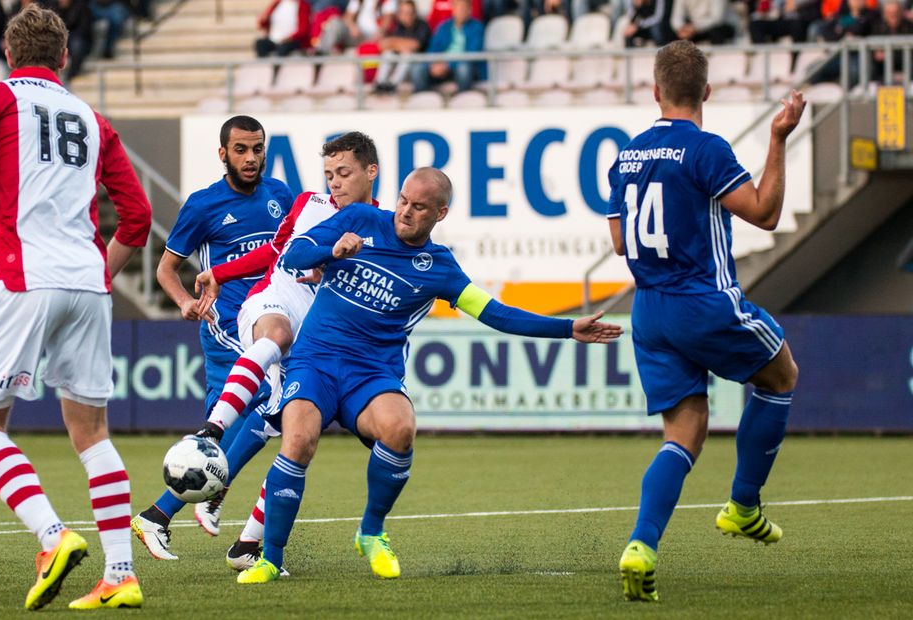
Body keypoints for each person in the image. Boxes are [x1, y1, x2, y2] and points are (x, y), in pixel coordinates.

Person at [234, 167, 622, 584]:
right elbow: (292, 256)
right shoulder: (360, 219)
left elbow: (498, 314)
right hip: (317, 360)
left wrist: (567, 328)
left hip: (371, 372)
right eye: (403, 200)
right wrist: (331, 249)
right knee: (299, 439)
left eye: (418, 207)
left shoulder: (440, 268)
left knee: (401, 428)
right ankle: (271, 558)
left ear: (440, 213)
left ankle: (371, 532)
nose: (405, 212)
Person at [0, 5, 151, 610]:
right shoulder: (93, 117)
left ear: (8, 53)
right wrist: (96, 276)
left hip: (26, 278)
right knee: (93, 433)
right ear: (64, 58)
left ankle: (53, 537)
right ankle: (121, 574)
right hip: (88, 280)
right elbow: (138, 218)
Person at [605, 40, 804, 602]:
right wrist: (777, 137)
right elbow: (764, 213)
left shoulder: (627, 155)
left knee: (683, 433)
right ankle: (743, 505)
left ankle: (641, 546)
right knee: (781, 374)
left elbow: (621, 242)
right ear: (707, 92)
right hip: (701, 300)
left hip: (649, 311)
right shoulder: (706, 149)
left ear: (655, 92)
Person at [189, 131, 381, 572]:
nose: (333, 183)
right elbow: (278, 253)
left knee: (294, 436)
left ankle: (247, 544)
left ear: (371, 172)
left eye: (344, 173)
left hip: (325, 342)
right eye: (329, 174)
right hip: (273, 303)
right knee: (272, 348)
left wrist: (334, 272)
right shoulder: (309, 205)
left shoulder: (382, 227)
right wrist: (219, 272)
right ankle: (212, 438)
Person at [128, 116, 294, 561]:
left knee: (223, 435)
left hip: (265, 316)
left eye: (257, 148)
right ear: (223, 153)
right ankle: (213, 502)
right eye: (240, 149)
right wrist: (184, 300)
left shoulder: (280, 195)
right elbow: (166, 269)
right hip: (225, 322)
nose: (250, 157)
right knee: (268, 402)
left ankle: (158, 516)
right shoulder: (203, 205)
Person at [410, 0, 486, 93]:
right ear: (453, 9)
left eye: (463, 8)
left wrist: (448, 65)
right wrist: (434, 64)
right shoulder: (444, 27)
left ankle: (462, 100)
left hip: (465, 68)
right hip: (442, 66)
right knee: (418, 69)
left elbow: (472, 54)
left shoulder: (477, 27)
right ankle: (425, 100)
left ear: (469, 10)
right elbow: (433, 49)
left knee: (464, 68)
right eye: (458, 7)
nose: (460, 11)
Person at [372, 0, 430, 93]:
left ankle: (393, 85)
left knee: (407, 54)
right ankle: (380, 82)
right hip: (397, 64)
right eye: (403, 12)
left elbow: (415, 45)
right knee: (388, 53)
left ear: (415, 13)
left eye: (409, 12)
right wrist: (402, 45)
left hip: (416, 68)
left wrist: (395, 44)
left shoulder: (422, 25)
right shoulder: (398, 26)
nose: (406, 15)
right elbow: (383, 45)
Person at [670, 0, 736, 44]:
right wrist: (681, 28)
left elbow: (717, 18)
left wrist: (695, 27)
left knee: (716, 33)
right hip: (694, 29)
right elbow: (677, 16)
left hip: (721, 27)